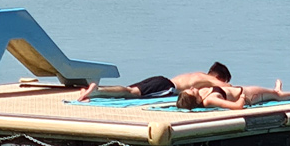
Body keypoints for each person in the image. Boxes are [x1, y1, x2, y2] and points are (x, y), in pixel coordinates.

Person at [74, 62, 232, 102]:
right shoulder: (209, 79)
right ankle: (96, 92)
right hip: (166, 87)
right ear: (218, 76)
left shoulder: (198, 75)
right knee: (131, 93)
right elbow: (228, 87)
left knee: (130, 90)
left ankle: (97, 90)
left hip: (162, 81)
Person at [175, 78, 290, 111]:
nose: (193, 88)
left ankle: (276, 90)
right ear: (195, 99)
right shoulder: (210, 100)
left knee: (273, 94)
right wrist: (243, 96)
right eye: (192, 91)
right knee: (276, 95)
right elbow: (236, 107)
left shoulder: (203, 93)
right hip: (248, 96)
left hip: (241, 89)